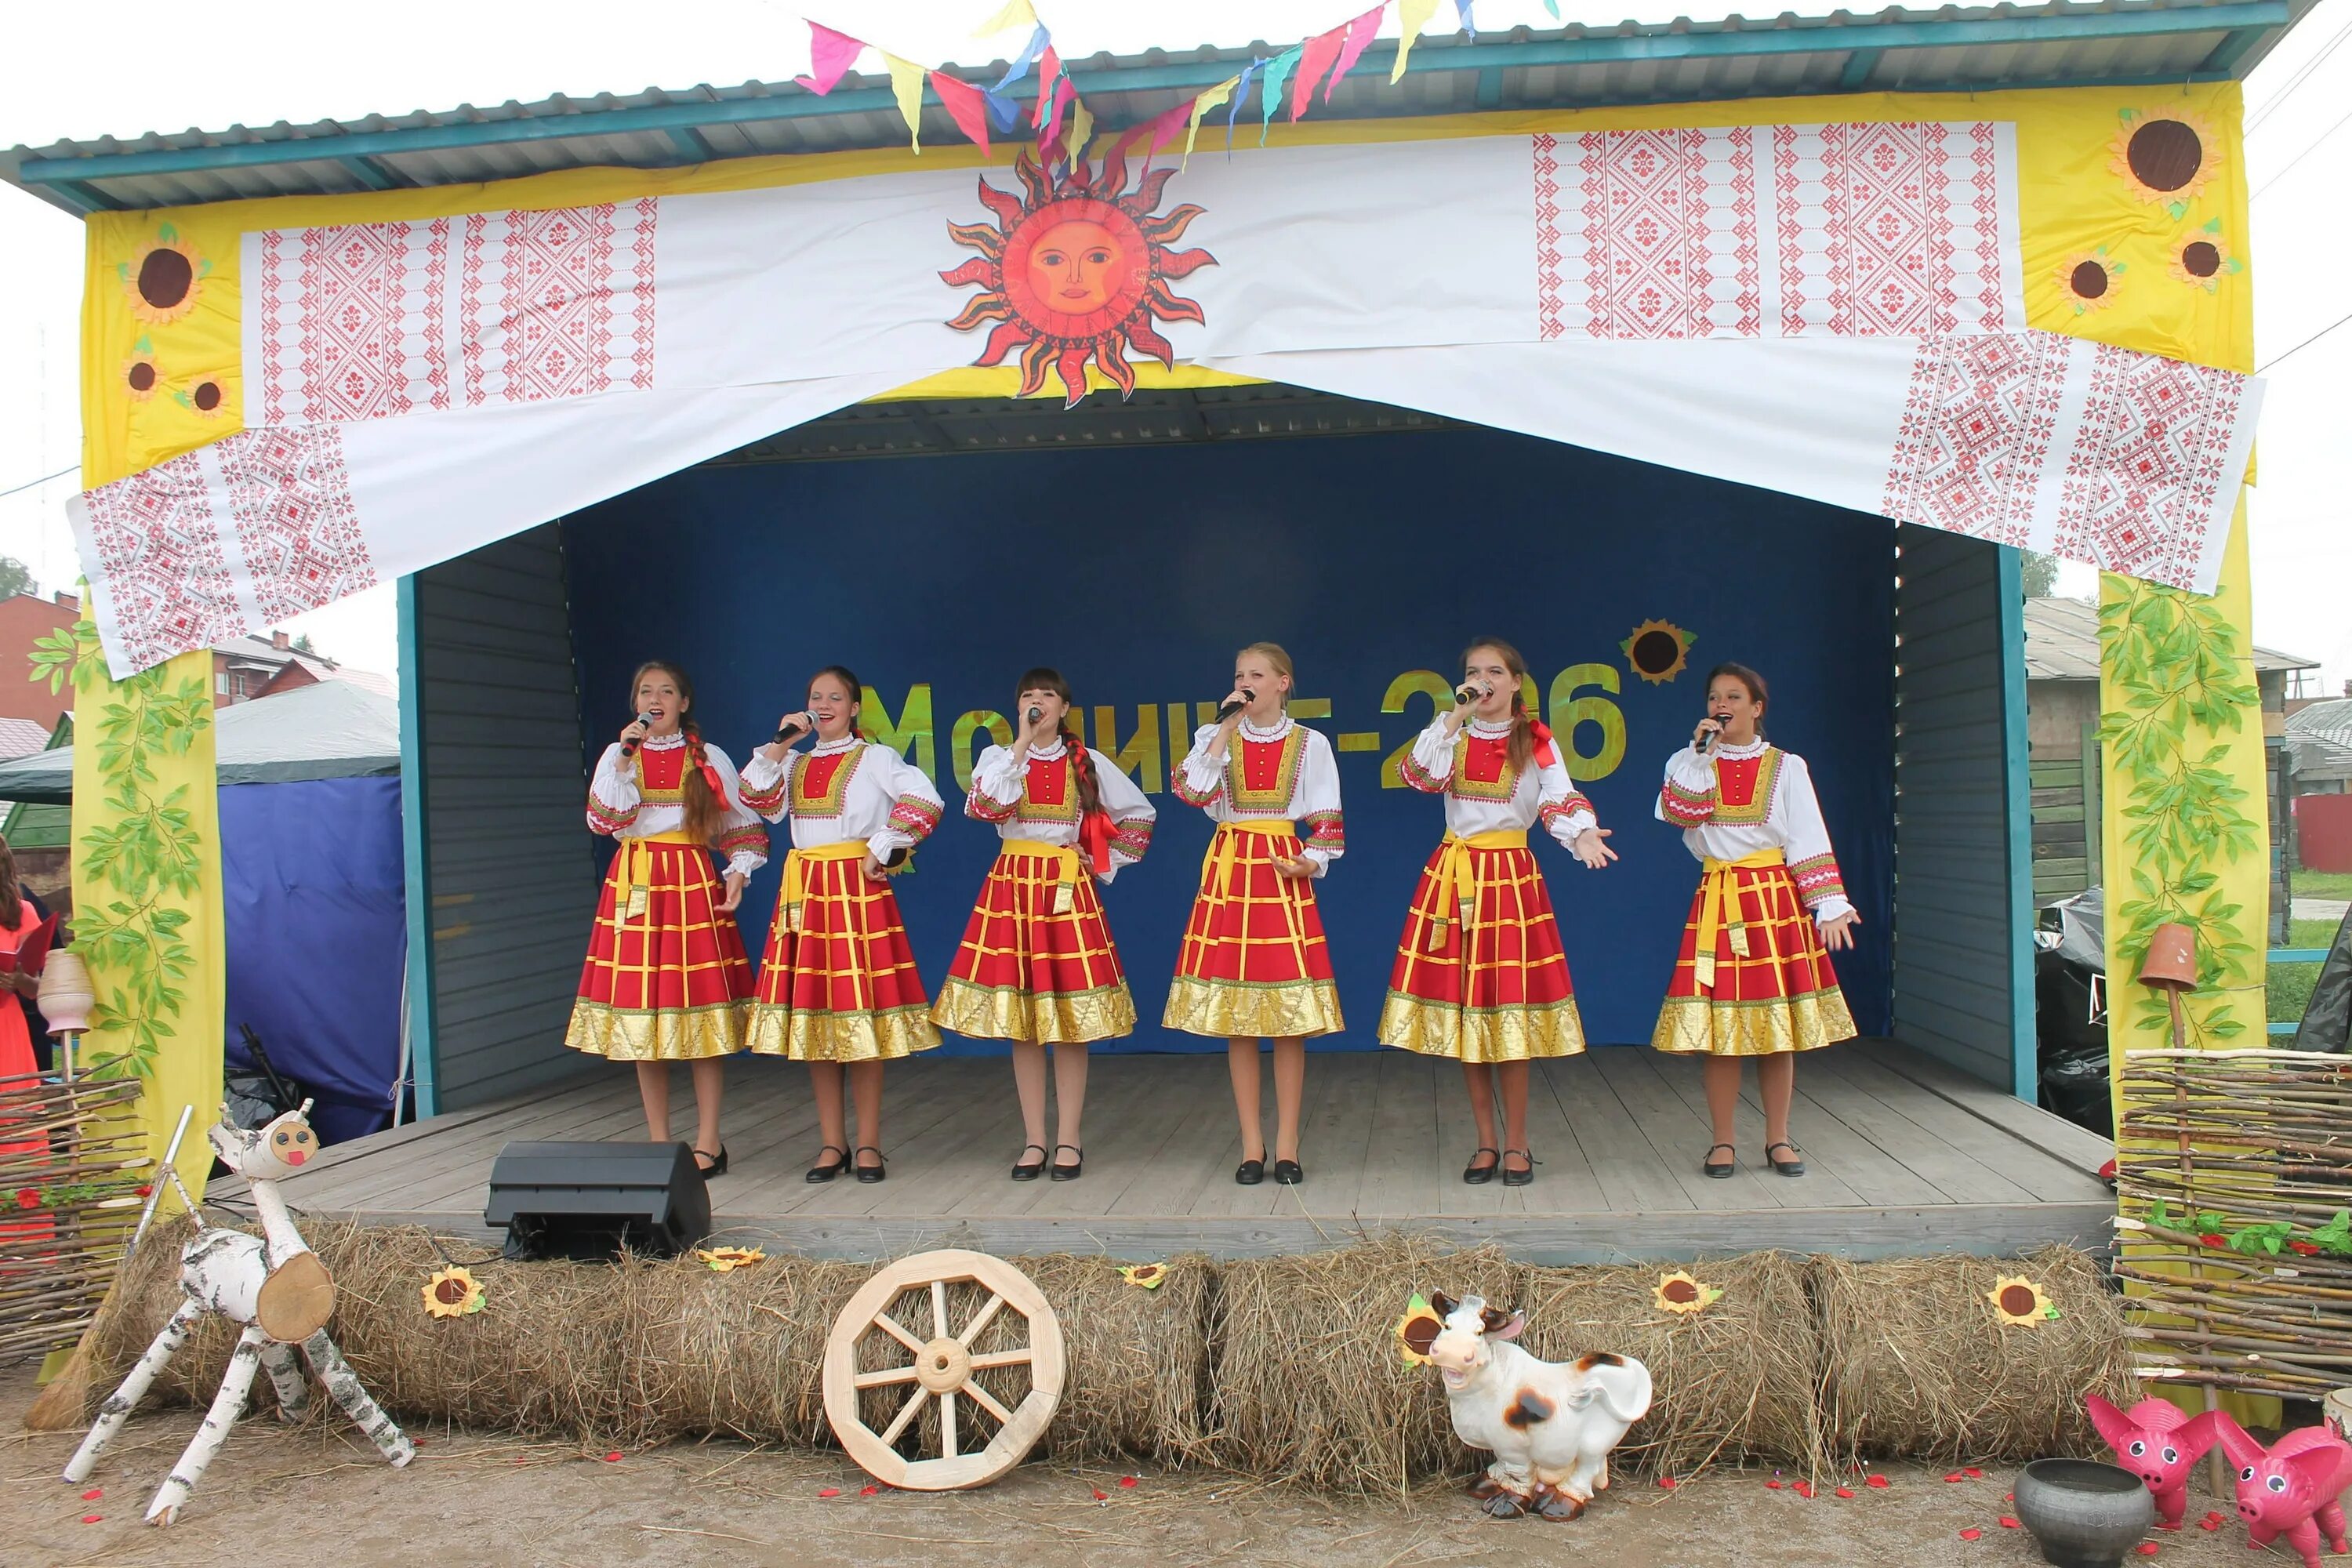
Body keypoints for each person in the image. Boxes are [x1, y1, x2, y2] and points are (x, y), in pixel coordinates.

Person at [1377, 639, 1617, 1187]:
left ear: (1514, 683)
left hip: (1508, 881)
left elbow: (1560, 795)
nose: (1481, 680)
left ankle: (1518, 1143)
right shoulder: (1450, 738)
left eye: (1492, 672)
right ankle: (1485, 1140)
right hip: (1454, 878)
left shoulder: (1535, 740)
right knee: (1470, 1014)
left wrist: (1579, 834)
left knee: (1507, 1011)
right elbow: (1418, 775)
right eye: (1471, 672)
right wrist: (1451, 717)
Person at [935, 669, 1158, 1181]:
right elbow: (984, 807)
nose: (1037, 702)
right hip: (1013, 887)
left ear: (1064, 707)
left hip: (1063, 890)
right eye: (1027, 696)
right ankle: (1034, 1139)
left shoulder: (1089, 764)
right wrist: (1019, 745)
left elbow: (1139, 816)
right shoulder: (999, 760)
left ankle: (1069, 1139)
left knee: (1070, 1019)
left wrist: (1098, 860)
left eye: (1047, 695)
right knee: (1025, 1021)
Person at [1652, 661, 1860, 1179]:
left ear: (1757, 708)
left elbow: (1807, 837)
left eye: (1734, 697)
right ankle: (1722, 1142)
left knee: (1776, 1029)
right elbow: (1681, 813)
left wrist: (1828, 904)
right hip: (1720, 902)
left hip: (1772, 902)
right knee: (1724, 1032)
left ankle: (1778, 1139)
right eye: (1715, 698)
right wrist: (1701, 759)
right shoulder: (1687, 762)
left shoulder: (1787, 767)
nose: (1722, 706)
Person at [739, 665, 943, 1185]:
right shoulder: (793, 763)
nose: (824, 705)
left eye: (835, 698)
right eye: (815, 697)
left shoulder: (873, 758)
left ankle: (870, 1142)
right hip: (806, 894)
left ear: (854, 708)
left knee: (861, 1019)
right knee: (816, 1020)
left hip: (854, 892)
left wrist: (882, 847)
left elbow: (924, 799)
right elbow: (757, 800)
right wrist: (782, 745)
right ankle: (832, 1142)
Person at [567, 662, 766, 1176]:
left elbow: (743, 825)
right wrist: (621, 763)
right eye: (645, 691)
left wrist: (739, 871)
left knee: (701, 1012)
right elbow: (602, 820)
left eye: (666, 690)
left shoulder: (708, 758)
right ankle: (658, 1141)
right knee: (642, 1014)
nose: (655, 698)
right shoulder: (618, 755)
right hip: (634, 882)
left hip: (690, 880)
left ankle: (708, 1140)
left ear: (683, 703)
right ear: (637, 703)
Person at [1167, 642, 1344, 1186]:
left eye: (1257, 674)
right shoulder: (1212, 739)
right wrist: (1222, 729)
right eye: (1240, 674)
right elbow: (1192, 792)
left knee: (1287, 1021)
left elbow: (1328, 822)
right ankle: (1251, 1144)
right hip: (1229, 873)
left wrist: (1308, 862)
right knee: (1237, 1021)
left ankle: (1288, 1144)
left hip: (1280, 874)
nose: (1246, 682)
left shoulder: (1310, 743)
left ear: (1283, 683)